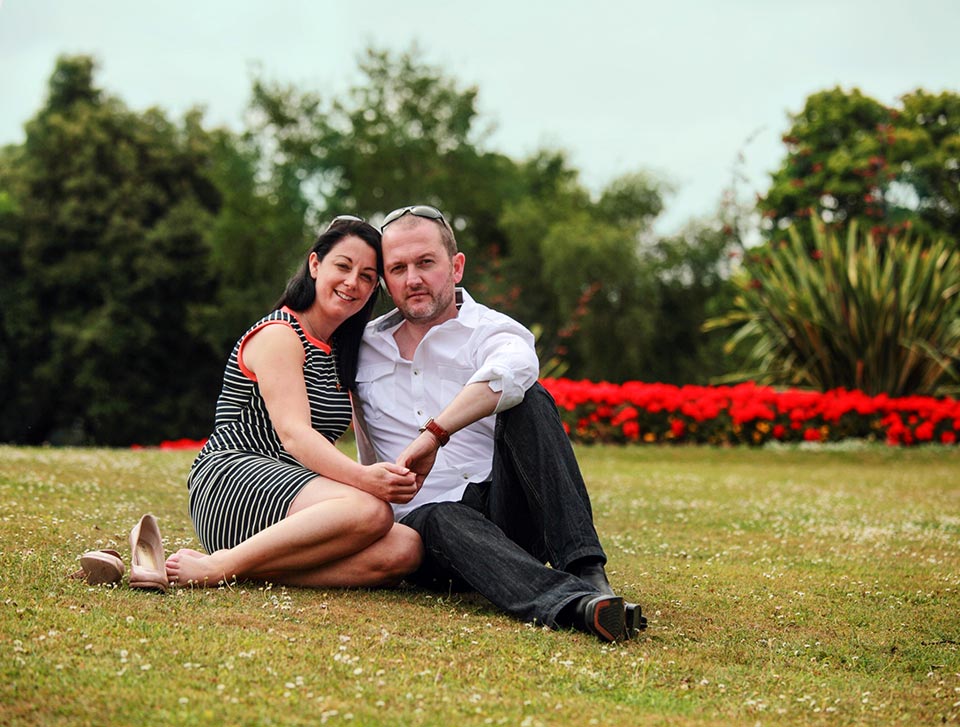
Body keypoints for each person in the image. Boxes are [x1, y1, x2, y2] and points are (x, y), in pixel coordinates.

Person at [352, 205, 645, 642]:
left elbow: (515, 369)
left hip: (506, 511)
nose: (412, 278)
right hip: (423, 531)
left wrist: (435, 434)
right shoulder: (362, 347)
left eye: (426, 262)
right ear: (385, 279)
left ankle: (587, 571)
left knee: (529, 398)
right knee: (441, 516)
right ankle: (578, 606)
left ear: (456, 266)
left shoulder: (490, 329)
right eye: (398, 268)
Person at [165, 217, 423, 588]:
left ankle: (244, 569)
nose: (353, 282)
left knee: (406, 548)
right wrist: (366, 479)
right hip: (235, 480)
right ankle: (221, 565)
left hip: (298, 498)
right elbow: (294, 434)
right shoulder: (280, 334)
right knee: (370, 509)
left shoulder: (339, 352)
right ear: (315, 264)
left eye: (367, 276)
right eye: (343, 266)